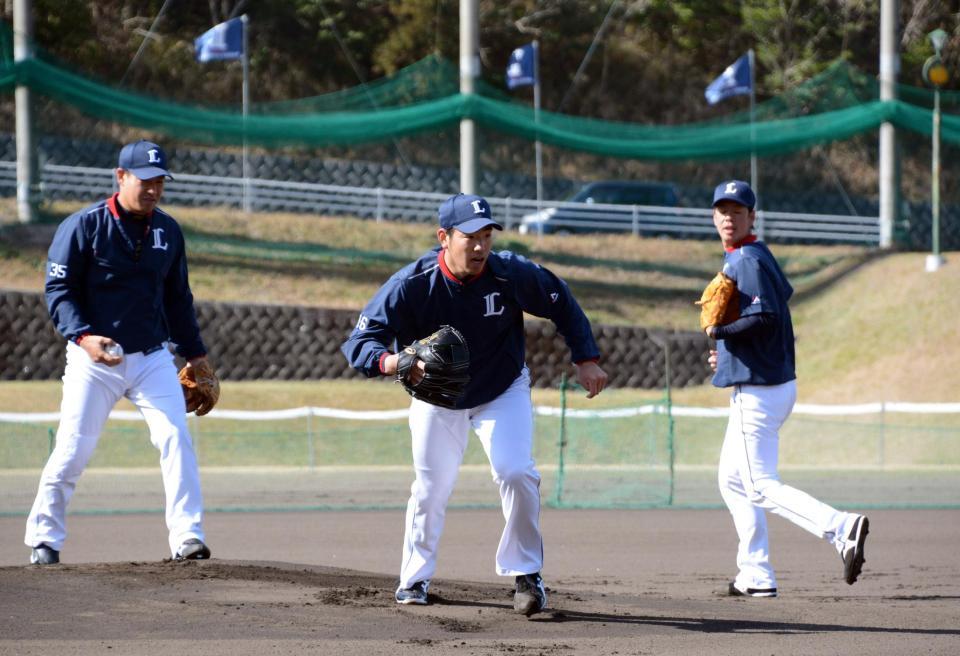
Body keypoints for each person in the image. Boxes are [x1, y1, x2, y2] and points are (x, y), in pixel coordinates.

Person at [341, 193, 608, 616]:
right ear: (444, 237)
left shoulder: (508, 273)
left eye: (486, 235)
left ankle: (527, 574)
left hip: (502, 388)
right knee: (431, 488)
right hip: (436, 397)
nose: (480, 245)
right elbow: (359, 343)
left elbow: (561, 300)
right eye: (470, 237)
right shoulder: (412, 284)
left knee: (516, 471)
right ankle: (413, 579)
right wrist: (394, 361)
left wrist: (586, 358)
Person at [25, 140, 214, 565]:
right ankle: (44, 539)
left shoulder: (168, 230)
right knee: (74, 448)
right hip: (95, 358)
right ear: (121, 176)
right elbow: (59, 290)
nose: (153, 189)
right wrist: (83, 336)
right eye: (145, 180)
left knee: (175, 439)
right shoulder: (84, 225)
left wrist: (196, 355)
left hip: (151, 357)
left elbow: (178, 298)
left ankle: (187, 537)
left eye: (160, 181)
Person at [705, 180, 869, 597]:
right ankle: (756, 575)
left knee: (759, 484)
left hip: (758, 391)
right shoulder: (757, 256)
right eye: (722, 210)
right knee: (732, 479)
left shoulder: (746, 259)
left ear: (752, 217)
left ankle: (840, 527)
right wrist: (726, 352)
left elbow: (765, 318)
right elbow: (769, 320)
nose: (728, 217)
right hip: (769, 384)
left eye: (737, 211)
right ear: (713, 216)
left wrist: (718, 331)